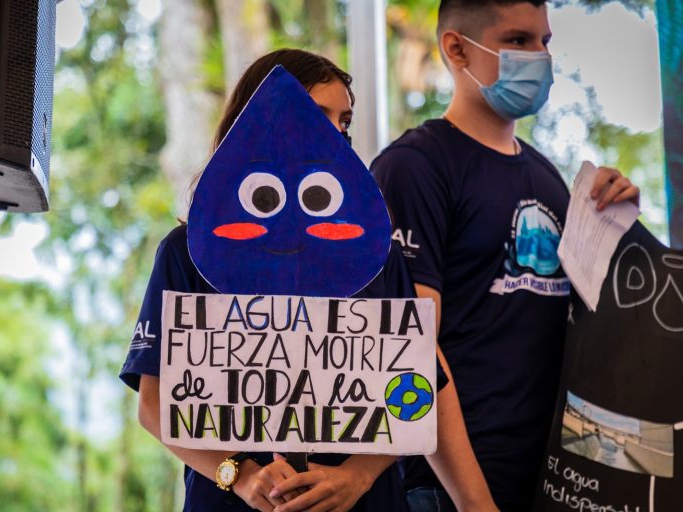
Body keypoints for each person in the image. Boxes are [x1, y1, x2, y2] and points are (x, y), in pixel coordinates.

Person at [121, 48, 498, 512]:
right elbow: (154, 404)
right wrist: (240, 474)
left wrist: (357, 476)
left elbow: (417, 392)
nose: (335, 135)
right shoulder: (186, 253)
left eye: (344, 123)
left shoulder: (377, 257)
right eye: (318, 116)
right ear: (256, 123)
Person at [370, 2, 640, 511]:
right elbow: (409, 346)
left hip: (555, 482)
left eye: (545, 41)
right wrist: (474, 501)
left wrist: (619, 226)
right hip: (450, 491)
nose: (540, 57)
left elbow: (591, 331)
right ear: (456, 49)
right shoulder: (415, 166)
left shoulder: (549, 179)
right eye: (518, 41)